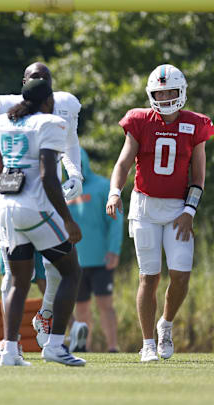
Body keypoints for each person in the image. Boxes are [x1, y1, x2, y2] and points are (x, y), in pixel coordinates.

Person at [0, 62, 84, 349]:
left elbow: (70, 146)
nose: (42, 83)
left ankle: (39, 320)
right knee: (23, 273)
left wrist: (76, 175)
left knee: (47, 270)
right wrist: (16, 181)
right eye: (36, 79)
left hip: (34, 198)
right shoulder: (4, 111)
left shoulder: (61, 108)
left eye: (45, 78)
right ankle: (25, 342)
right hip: (32, 198)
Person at [106, 64, 212, 362]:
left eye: (170, 92)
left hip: (179, 208)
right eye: (159, 92)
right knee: (148, 277)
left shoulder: (196, 124)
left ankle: (165, 324)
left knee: (181, 276)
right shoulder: (140, 120)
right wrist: (115, 192)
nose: (165, 97)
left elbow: (198, 175)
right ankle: (148, 343)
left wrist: (190, 210)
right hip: (144, 208)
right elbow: (123, 163)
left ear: (181, 92)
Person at [68, 148, 122, 352]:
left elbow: (115, 222)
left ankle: (112, 347)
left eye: (79, 163)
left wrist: (114, 250)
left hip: (101, 259)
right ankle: (84, 347)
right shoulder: (65, 189)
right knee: (81, 307)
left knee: (105, 304)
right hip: (75, 261)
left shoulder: (102, 186)